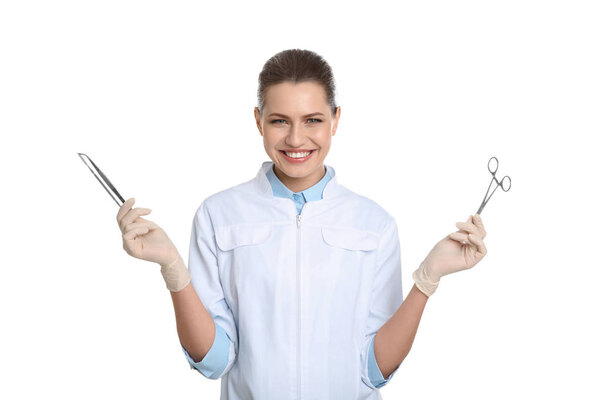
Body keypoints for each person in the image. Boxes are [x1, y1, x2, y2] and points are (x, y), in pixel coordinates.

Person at [115, 49, 488, 400]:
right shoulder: (219, 215)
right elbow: (214, 362)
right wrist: (173, 269)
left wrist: (428, 278)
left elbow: (374, 370)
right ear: (259, 120)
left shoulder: (374, 224)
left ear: (335, 120)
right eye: (279, 121)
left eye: (313, 120)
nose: (296, 139)